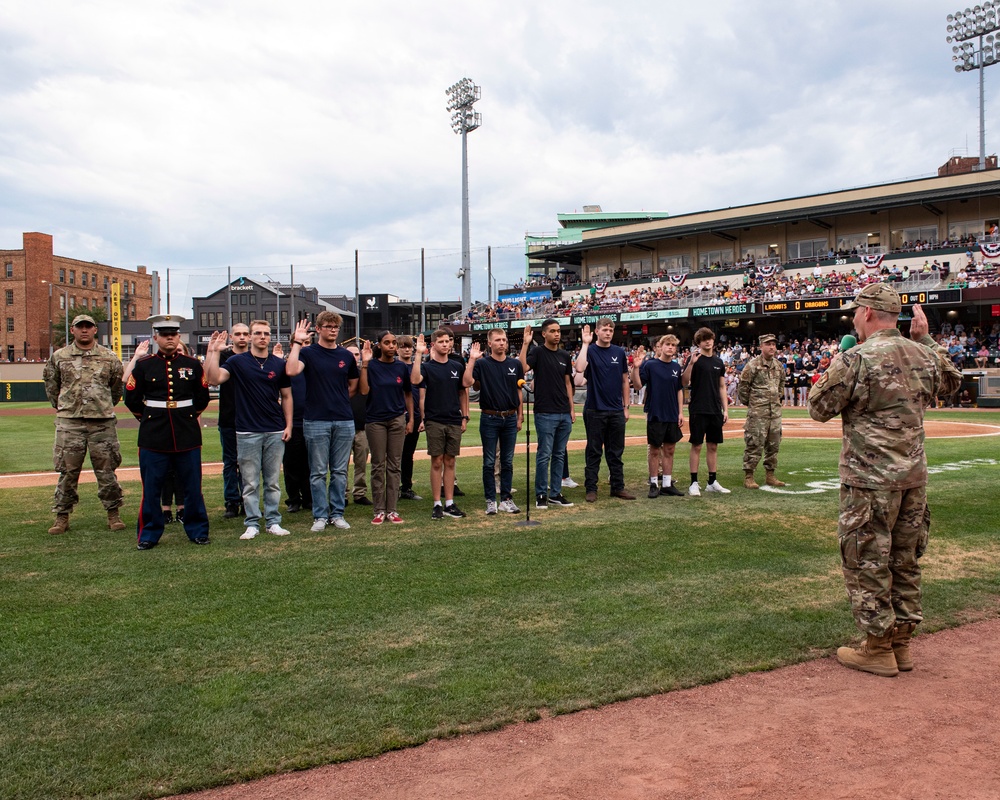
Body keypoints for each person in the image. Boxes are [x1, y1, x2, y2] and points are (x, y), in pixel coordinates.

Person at [808, 285, 961, 677]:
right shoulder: (923, 354)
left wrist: (839, 358)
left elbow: (818, 407)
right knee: (905, 560)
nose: (853, 318)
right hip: (913, 479)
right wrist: (924, 338)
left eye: (856, 312)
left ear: (870, 313)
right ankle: (901, 645)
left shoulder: (856, 357)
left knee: (867, 560)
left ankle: (878, 648)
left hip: (868, 481)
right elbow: (951, 381)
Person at [123, 315, 211, 550]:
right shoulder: (144, 365)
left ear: (179, 336)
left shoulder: (192, 365)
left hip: (186, 432)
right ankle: (149, 533)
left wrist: (189, 417)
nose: (169, 338)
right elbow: (131, 398)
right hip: (154, 434)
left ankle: (197, 530)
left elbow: (202, 398)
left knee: (192, 486)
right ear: (155, 337)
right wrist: (148, 418)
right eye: (164, 334)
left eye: (173, 334)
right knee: (151, 488)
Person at [205, 321, 292, 541]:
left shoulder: (278, 364)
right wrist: (214, 352)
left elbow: (287, 396)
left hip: (274, 429)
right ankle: (252, 522)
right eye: (258, 333)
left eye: (266, 333)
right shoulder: (236, 362)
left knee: (272, 481)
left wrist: (288, 425)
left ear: (270, 337)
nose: (262, 337)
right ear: (251, 337)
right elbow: (213, 379)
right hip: (246, 430)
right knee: (250, 482)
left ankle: (273, 521)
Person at [42, 313, 127, 534]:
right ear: (73, 330)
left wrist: (102, 406)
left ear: (95, 330)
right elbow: (52, 386)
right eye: (80, 327)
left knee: (106, 470)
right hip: (70, 421)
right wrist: (65, 407)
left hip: (101, 422)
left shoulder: (109, 357)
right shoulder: (59, 356)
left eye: (88, 326)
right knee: (67, 471)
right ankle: (62, 516)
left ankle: (113, 513)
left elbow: (116, 388)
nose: (84, 330)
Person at [285, 313, 359, 532]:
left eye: (336, 327)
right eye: (328, 326)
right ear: (318, 329)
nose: (333, 330)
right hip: (316, 419)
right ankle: (320, 515)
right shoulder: (308, 353)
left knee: (339, 471)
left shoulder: (346, 355)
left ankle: (337, 514)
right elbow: (290, 370)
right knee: (317, 471)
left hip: (344, 419)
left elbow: (353, 385)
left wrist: (339, 401)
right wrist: (297, 342)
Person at [463, 328, 523, 515]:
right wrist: (472, 359)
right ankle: (490, 500)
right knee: (489, 461)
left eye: (504, 340)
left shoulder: (515, 364)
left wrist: (520, 416)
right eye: (497, 340)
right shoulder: (482, 364)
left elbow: (519, 391)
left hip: (510, 416)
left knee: (508, 461)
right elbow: (466, 382)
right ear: (490, 343)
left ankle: (506, 498)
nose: (502, 343)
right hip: (490, 416)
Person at [518, 319, 576, 510]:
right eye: (552, 331)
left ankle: (556, 493)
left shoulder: (564, 355)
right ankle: (541, 493)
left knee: (559, 454)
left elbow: (568, 383)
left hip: (563, 412)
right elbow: (522, 368)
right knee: (544, 454)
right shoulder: (538, 352)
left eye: (558, 331)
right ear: (544, 334)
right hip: (545, 411)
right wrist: (526, 344)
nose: (557, 334)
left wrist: (572, 409)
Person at [411, 328, 468, 519]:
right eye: (441, 341)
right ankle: (437, 503)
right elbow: (415, 379)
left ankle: (449, 503)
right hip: (434, 420)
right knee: (436, 461)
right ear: (433, 344)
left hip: (453, 419)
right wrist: (418, 354)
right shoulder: (427, 367)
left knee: (450, 461)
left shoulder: (457, 366)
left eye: (447, 341)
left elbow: (463, 391)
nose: (445, 344)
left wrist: (464, 417)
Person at [575, 319, 635, 502]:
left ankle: (618, 487)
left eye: (610, 330)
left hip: (616, 409)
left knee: (616, 451)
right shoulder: (590, 350)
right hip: (595, 409)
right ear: (597, 331)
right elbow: (579, 368)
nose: (608, 333)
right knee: (593, 451)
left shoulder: (619, 352)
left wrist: (626, 406)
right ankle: (591, 488)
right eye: (604, 330)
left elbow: (625, 381)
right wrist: (585, 344)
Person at [360, 331, 413, 524]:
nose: (391, 346)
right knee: (378, 465)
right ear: (379, 345)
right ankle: (379, 510)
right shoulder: (372, 366)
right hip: (375, 420)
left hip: (397, 419)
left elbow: (408, 394)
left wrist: (411, 418)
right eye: (387, 343)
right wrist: (364, 364)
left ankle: (392, 509)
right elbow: (364, 390)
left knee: (394, 465)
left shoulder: (401, 367)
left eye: (394, 343)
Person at [629, 334, 685, 498]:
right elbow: (638, 385)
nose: (670, 348)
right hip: (655, 412)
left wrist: (680, 412)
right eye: (667, 344)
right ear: (660, 346)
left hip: (672, 414)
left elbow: (679, 390)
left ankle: (666, 484)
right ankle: (653, 483)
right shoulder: (650, 365)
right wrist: (636, 367)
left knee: (670, 449)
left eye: (673, 345)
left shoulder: (676, 367)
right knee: (654, 450)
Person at [682, 328, 730, 496]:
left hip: (715, 408)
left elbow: (722, 386)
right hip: (698, 407)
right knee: (696, 445)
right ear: (698, 343)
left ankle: (712, 481)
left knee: (713, 446)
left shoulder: (718, 362)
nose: (707, 342)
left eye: (709, 338)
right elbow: (684, 381)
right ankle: (694, 482)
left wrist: (725, 409)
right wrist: (691, 363)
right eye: (703, 340)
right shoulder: (694, 359)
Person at [738, 333, 787, 489]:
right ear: (761, 346)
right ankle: (749, 475)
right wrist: (754, 404)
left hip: (775, 413)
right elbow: (743, 389)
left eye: (774, 344)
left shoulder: (778, 365)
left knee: (774, 444)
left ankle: (770, 475)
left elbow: (781, 384)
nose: (772, 347)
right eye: (768, 344)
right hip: (758, 413)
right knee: (754, 443)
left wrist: (777, 398)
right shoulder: (752, 366)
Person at [218, 323, 250, 518]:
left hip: (250, 419)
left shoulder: (255, 358)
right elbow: (209, 376)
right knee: (230, 462)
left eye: (245, 334)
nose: (242, 337)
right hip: (229, 418)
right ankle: (232, 501)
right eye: (238, 334)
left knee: (250, 464)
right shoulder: (223, 357)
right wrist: (213, 350)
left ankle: (249, 501)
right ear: (231, 336)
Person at [345, 341, 373, 507]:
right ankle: (343, 494)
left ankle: (359, 493)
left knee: (361, 463)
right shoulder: (340, 372)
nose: (354, 357)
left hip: (362, 426)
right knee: (341, 465)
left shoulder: (365, 373)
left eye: (356, 354)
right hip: (343, 425)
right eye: (350, 354)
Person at [396, 335, 423, 501]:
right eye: (403, 346)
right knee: (393, 455)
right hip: (397, 415)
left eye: (409, 347)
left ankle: (406, 487)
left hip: (415, 416)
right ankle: (392, 488)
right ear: (397, 348)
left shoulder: (417, 367)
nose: (407, 349)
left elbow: (422, 394)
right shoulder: (394, 366)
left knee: (408, 454)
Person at [282, 371, 312, 514]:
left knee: (311, 464)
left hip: (313, 421)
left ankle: (309, 498)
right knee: (291, 464)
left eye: (307, 345)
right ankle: (293, 500)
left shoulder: (313, 367)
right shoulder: (288, 370)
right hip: (293, 423)